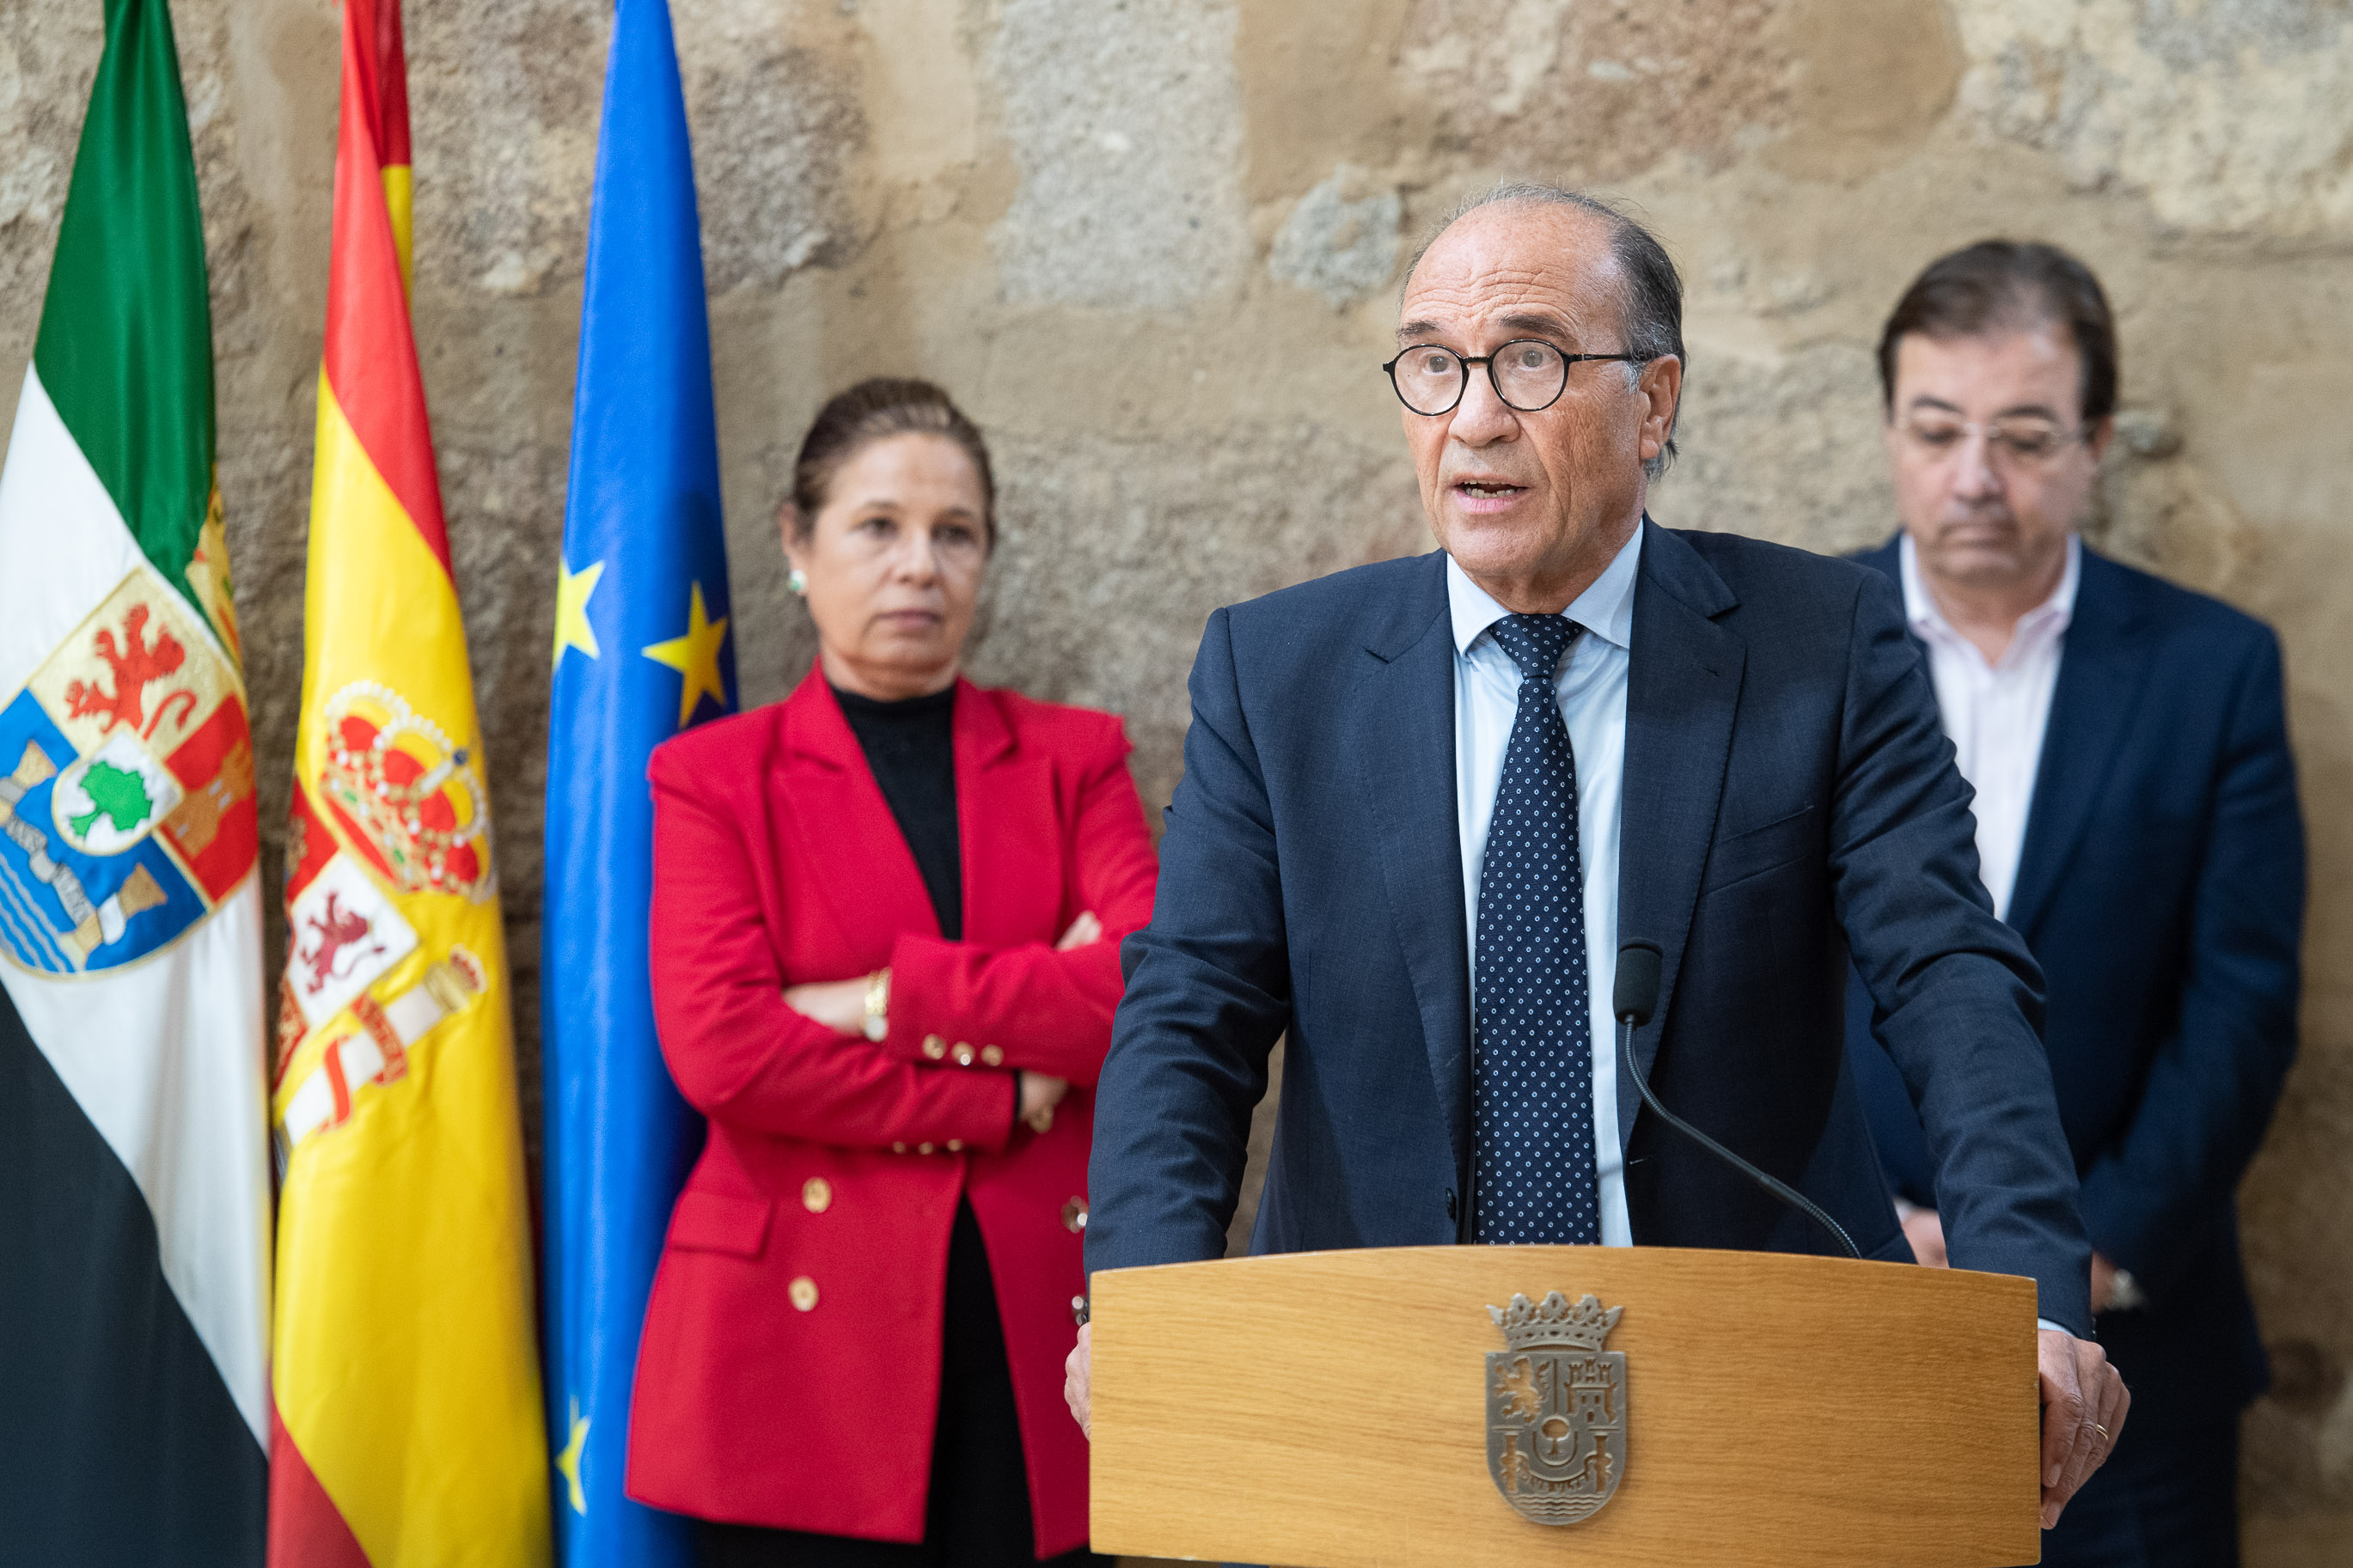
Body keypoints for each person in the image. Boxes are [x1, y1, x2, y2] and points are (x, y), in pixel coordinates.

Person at [1066, 185, 2128, 1529]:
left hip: (1751, 1397)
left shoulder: (1818, 646)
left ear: (1655, 401)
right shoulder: (1279, 671)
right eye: (1432, 365)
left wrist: (2026, 1296)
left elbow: (1948, 980)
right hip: (1370, 1394)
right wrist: (1147, 1303)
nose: (1473, 417)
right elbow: (1189, 1015)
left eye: (1529, 359)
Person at [626, 379, 1158, 1566]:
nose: (919, 563)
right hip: (798, 1347)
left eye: (954, 532)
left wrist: (882, 999)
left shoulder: (1077, 758)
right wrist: (1002, 1084)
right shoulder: (714, 777)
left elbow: (1141, 998)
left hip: (1031, 1322)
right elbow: (725, 1049)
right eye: (877, 525)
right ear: (796, 543)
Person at [1843, 241, 2305, 1566]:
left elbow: (2241, 1007)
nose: (1973, 476)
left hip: (2132, 1360)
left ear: (2095, 441)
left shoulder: (2211, 669)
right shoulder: (1783, 650)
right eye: (1935, 430)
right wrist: (1881, 1233)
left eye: (2023, 436)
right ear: (1891, 429)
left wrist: (2078, 1257)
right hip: (1839, 1312)